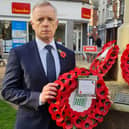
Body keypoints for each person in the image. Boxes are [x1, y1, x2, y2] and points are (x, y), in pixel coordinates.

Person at [1, 1, 75, 129]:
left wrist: (94, 93)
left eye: (50, 19)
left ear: (56, 24)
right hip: (30, 124)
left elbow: (73, 87)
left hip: (60, 124)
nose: (45, 23)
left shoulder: (68, 55)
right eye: (40, 19)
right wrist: (39, 97)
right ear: (33, 24)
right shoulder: (19, 53)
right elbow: (8, 91)